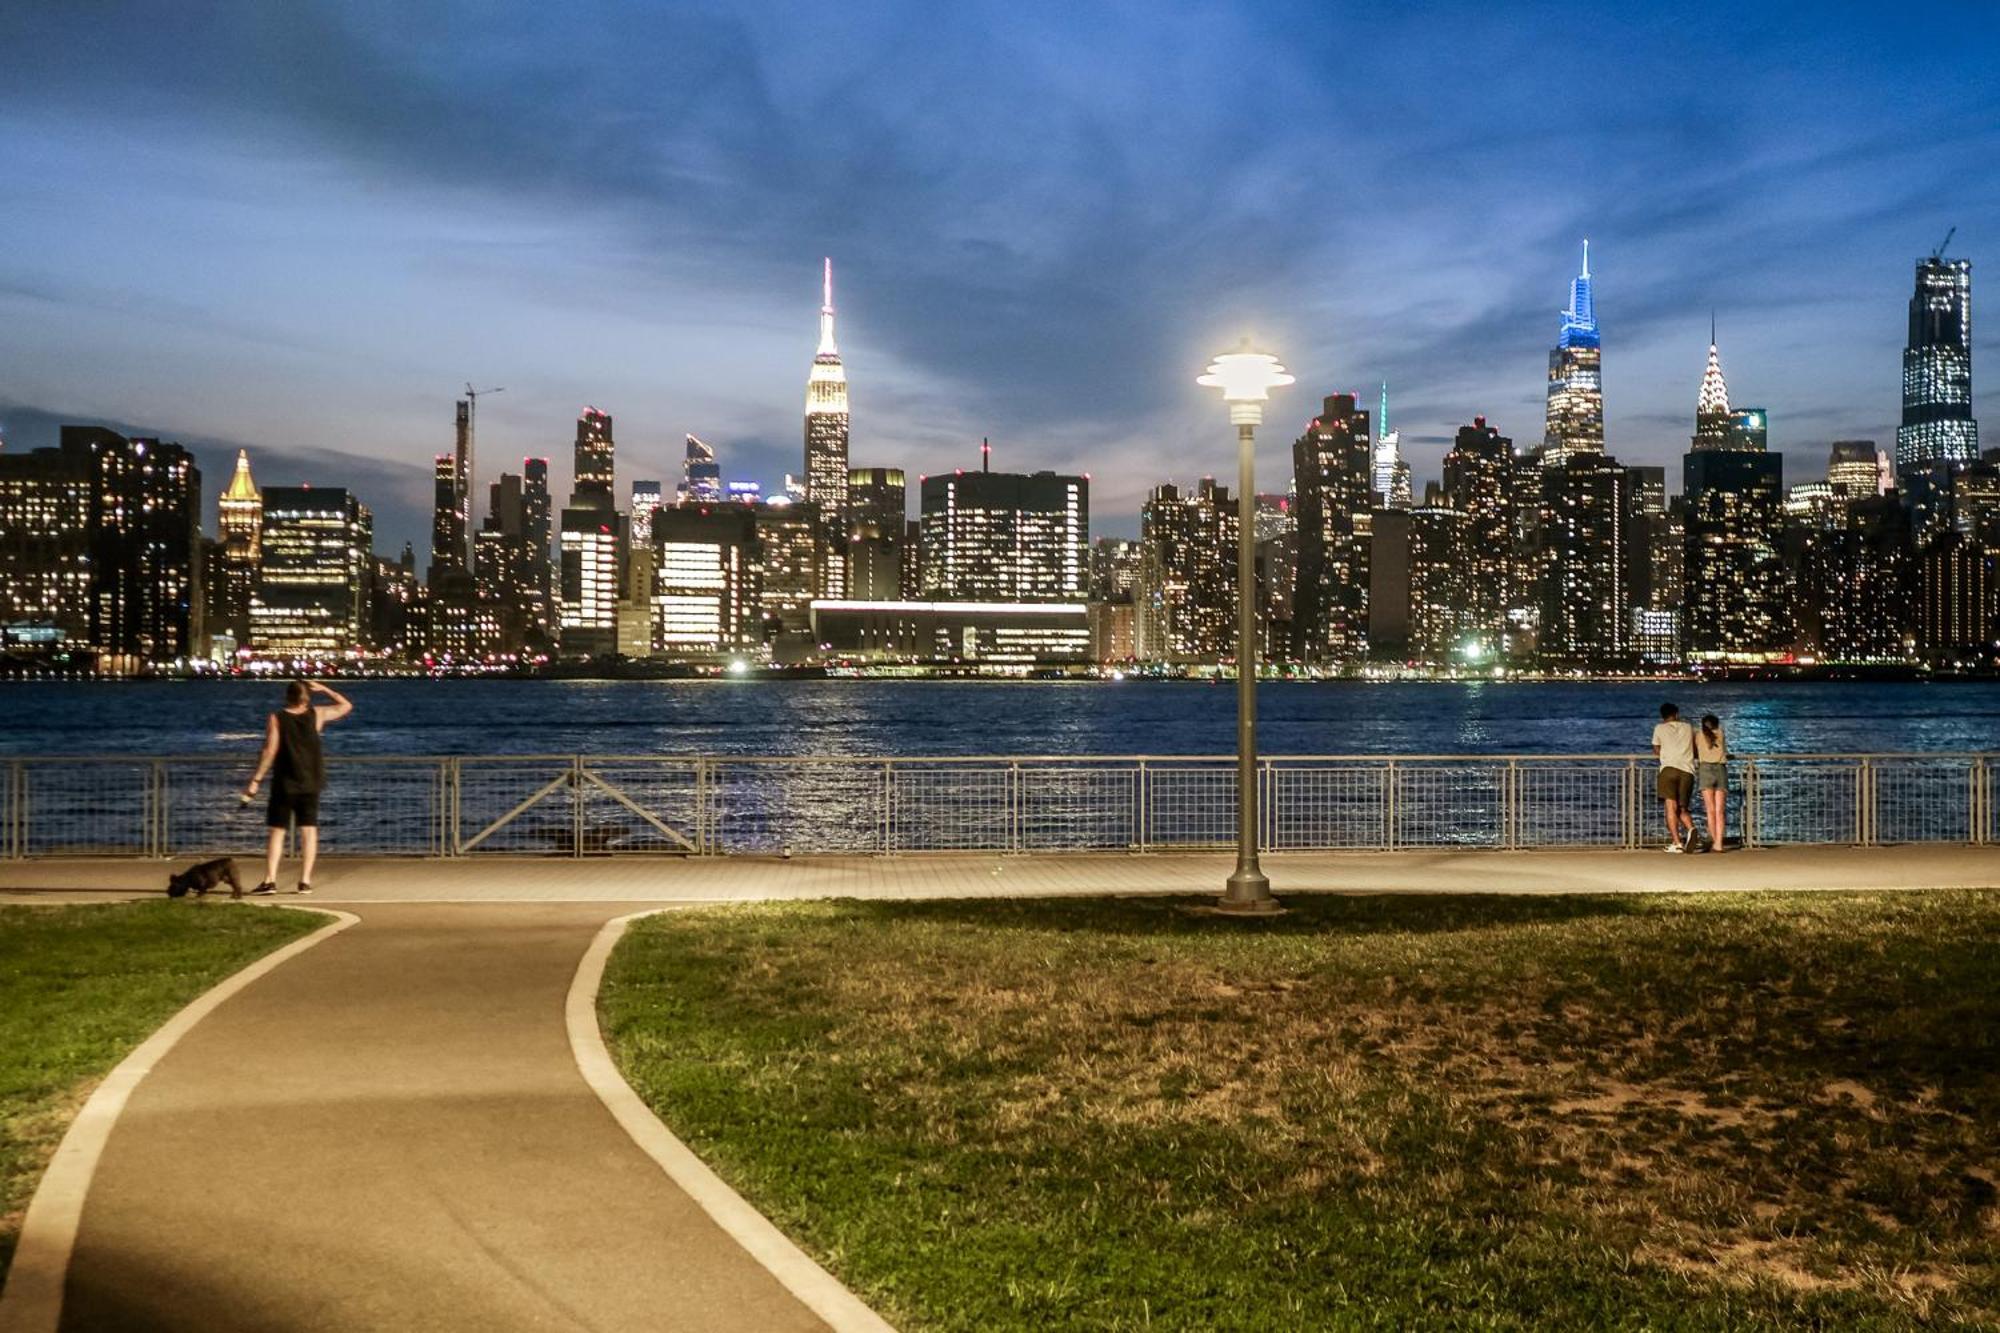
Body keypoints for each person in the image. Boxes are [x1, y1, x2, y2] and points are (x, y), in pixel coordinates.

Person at [242, 680, 353, 894]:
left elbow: (270, 751)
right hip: (311, 781)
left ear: (287, 697)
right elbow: (346, 706)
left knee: (277, 831)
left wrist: (256, 780)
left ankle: (270, 880)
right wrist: (326, 689)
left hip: (285, 782)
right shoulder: (317, 715)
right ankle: (304, 882)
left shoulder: (277, 718)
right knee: (309, 831)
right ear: (307, 697)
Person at [1650, 702, 1697, 853]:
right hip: (1687, 770)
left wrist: (1663, 753)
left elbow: (1656, 749)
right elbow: (1694, 747)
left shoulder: (1659, 728)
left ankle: (1677, 843)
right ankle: (1691, 829)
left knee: (1670, 807)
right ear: (1676, 714)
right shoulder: (1688, 727)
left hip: (1668, 769)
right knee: (1683, 808)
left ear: (1662, 716)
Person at [1695, 713, 1729, 852]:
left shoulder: (1698, 735)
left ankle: (1714, 840)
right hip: (1720, 769)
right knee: (1720, 811)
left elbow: (1696, 750)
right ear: (1717, 724)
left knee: (1710, 810)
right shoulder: (1721, 733)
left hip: (1705, 769)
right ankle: (1719, 843)